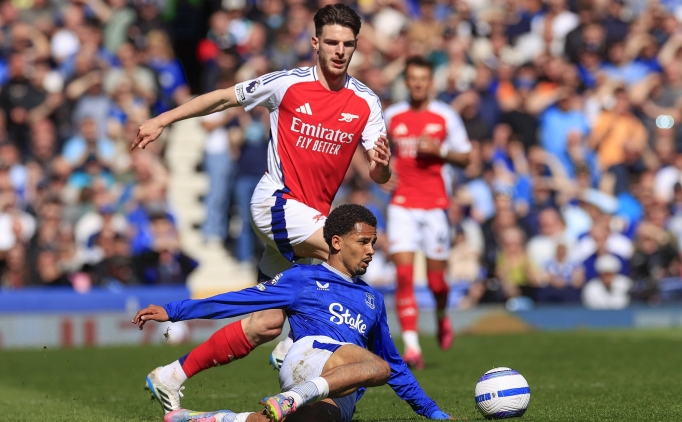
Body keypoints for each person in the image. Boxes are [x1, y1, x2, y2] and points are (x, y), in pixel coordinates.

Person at [130, 4, 391, 414]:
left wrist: (381, 164)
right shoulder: (287, 84)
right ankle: (298, 348)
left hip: (308, 223)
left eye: (348, 44)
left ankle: (172, 374)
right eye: (332, 42)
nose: (340, 51)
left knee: (266, 323)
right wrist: (163, 119)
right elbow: (223, 98)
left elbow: (379, 174)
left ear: (356, 45)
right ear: (316, 43)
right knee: (345, 257)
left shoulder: (366, 102)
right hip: (277, 204)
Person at [133, 205, 454, 422]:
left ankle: (207, 419)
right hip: (307, 357)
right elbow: (239, 300)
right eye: (363, 242)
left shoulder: (373, 299)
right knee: (376, 366)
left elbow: (396, 365)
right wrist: (173, 311)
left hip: (338, 389)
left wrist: (433, 412)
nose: (371, 250)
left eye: (373, 243)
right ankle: (296, 396)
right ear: (337, 242)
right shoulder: (303, 278)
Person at [383, 56, 471, 368]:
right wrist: (379, 172)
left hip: (435, 207)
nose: (418, 84)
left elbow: (467, 157)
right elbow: (369, 147)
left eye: (423, 79)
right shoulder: (392, 115)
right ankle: (411, 347)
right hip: (402, 205)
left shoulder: (445, 115)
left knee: (436, 283)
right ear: (406, 82)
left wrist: (440, 150)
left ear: (431, 82)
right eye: (413, 79)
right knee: (403, 275)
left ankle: (442, 314)